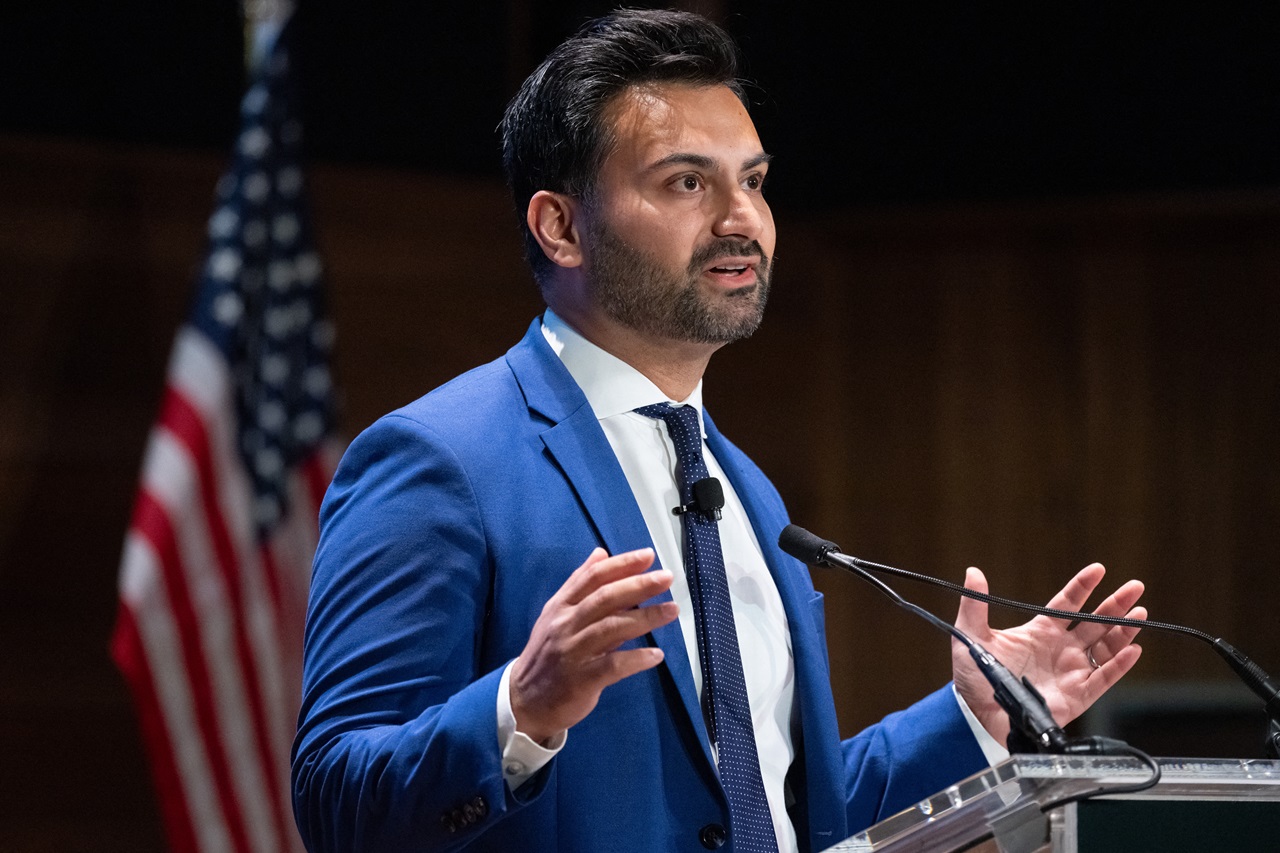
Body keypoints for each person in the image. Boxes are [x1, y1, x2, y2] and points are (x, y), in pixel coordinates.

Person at [291, 9, 1146, 853]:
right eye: (687, 183)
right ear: (561, 227)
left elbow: (774, 817)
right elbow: (336, 796)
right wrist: (521, 705)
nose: (743, 219)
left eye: (756, 181)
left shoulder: (744, 488)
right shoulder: (439, 459)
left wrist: (971, 720)